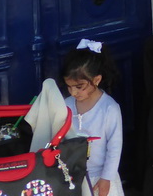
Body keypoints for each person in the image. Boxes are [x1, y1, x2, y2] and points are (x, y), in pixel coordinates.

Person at [63, 39, 124, 196]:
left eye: (79, 87)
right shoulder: (66, 105)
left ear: (96, 80)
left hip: (100, 177)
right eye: (69, 87)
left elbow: (114, 147)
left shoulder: (109, 108)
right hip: (73, 176)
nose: (73, 93)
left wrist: (106, 177)